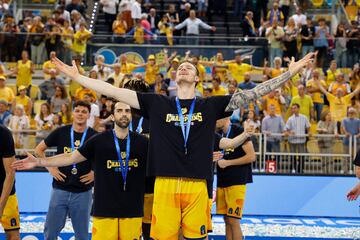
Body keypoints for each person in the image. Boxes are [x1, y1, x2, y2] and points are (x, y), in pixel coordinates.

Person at [51, 52, 314, 239]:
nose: (183, 68)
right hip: (163, 185)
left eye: (189, 67)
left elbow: (256, 92)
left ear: (198, 79)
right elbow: (113, 91)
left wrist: (290, 73)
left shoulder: (210, 105)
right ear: (175, 78)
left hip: (197, 185)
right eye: (180, 68)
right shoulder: (158, 103)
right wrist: (78, 77)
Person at [13, 101, 149, 240]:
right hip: (104, 209)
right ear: (112, 117)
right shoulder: (98, 140)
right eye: (119, 110)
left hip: (132, 209)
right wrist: (40, 162)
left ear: (131, 116)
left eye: (127, 111)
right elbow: (71, 157)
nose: (124, 114)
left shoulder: (143, 143)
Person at [33, 101, 97, 240]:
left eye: (84, 112)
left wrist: (95, 173)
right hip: (60, 189)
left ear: (88, 115)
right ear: (72, 113)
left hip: (83, 192)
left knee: (82, 236)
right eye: (77, 111)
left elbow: (104, 158)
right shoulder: (61, 132)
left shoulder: (94, 136)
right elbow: (38, 150)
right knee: (50, 233)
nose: (80, 114)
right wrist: (51, 168)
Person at [213, 117, 256, 240]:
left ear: (226, 117)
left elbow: (251, 156)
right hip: (222, 181)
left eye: (218, 117)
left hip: (237, 181)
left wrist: (228, 163)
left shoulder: (239, 131)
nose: (215, 120)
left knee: (233, 220)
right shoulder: (219, 134)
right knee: (226, 220)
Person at [0, 125, 20, 240]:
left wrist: (1, 206)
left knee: (14, 237)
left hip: (6, 195)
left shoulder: (4, 134)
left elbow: (10, 173)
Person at [284, 103, 310, 173]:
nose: (293, 109)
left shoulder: (304, 117)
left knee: (302, 156)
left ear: (298, 108)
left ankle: (301, 169)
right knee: (293, 156)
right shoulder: (290, 119)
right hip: (292, 140)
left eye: (295, 108)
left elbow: (308, 127)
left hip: (301, 140)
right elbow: (286, 129)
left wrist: (309, 132)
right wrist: (289, 132)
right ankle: (294, 169)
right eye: (292, 108)